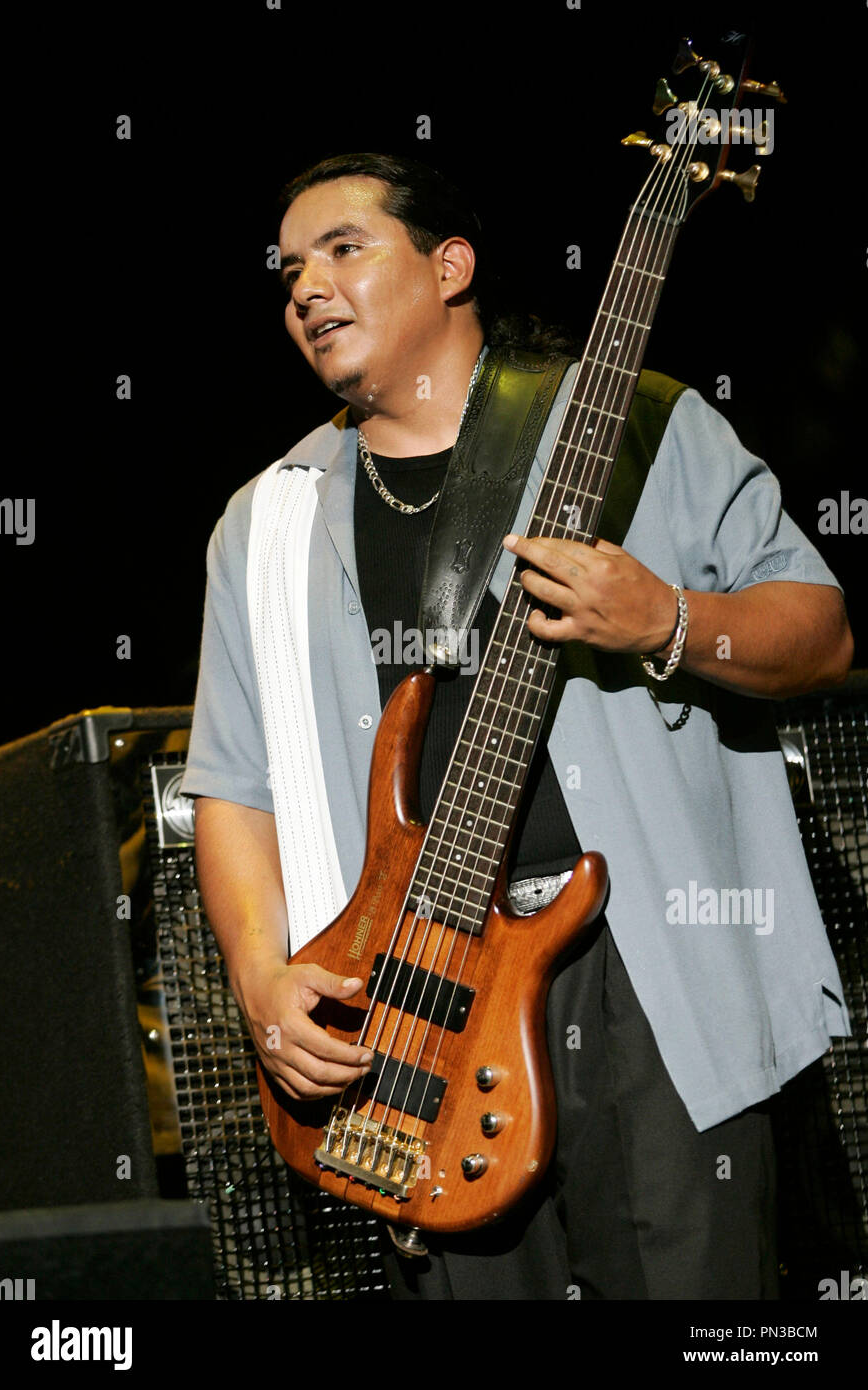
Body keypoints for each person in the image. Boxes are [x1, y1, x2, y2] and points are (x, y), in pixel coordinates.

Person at [181, 152, 853, 1300]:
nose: (304, 286)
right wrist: (259, 976)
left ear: (451, 266)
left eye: (344, 248)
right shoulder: (265, 522)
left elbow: (820, 633)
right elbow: (232, 786)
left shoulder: (640, 421)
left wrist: (669, 619)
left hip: (647, 971)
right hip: (415, 1005)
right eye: (290, 268)